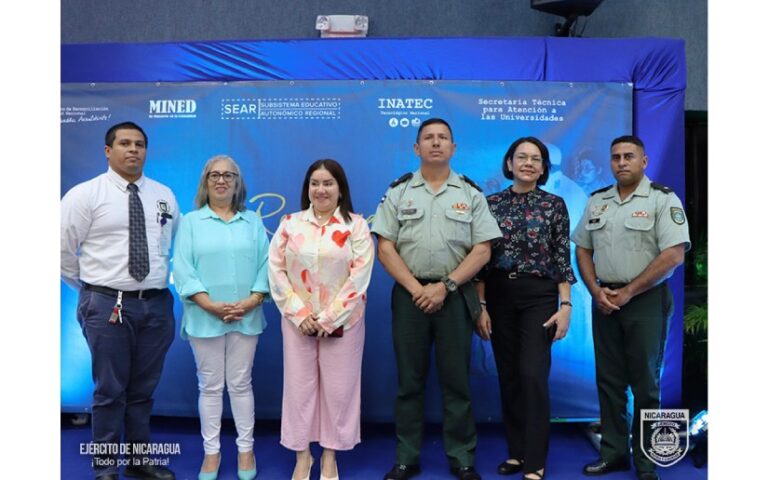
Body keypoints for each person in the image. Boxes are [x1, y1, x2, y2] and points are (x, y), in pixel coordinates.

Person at [371, 118, 502, 480]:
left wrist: (444, 286)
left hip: (456, 296)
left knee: (456, 380)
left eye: (443, 137)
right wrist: (419, 290)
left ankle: (462, 457)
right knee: (409, 382)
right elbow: (385, 247)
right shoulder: (399, 191)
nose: (435, 143)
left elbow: (483, 250)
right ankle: (406, 457)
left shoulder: (470, 193)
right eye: (428, 138)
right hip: (410, 298)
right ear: (416, 148)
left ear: (453, 148)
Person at [61, 121, 179, 480]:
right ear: (107, 150)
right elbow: (63, 251)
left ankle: (138, 460)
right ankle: (106, 466)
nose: (133, 150)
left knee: (143, 390)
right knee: (110, 390)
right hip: (107, 305)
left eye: (140, 144)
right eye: (125, 143)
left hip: (156, 305)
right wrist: (94, 292)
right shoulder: (85, 195)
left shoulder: (164, 195)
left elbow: (169, 245)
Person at [572, 135, 690, 480]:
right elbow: (582, 248)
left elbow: (673, 255)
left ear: (644, 161)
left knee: (645, 383)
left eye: (629, 156)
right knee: (608, 380)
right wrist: (596, 290)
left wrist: (628, 292)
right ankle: (613, 453)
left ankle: (646, 460)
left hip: (645, 301)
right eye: (616, 157)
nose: (621, 162)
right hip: (604, 301)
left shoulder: (661, 200)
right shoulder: (598, 202)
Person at [475, 137, 576, 480]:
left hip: (540, 297)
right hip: (499, 295)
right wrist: (481, 305)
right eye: (522, 157)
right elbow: (481, 260)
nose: (528, 163)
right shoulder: (490, 204)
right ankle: (517, 452)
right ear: (509, 164)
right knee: (510, 377)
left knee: (533, 375)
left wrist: (566, 305)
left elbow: (563, 258)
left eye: (536, 159)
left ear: (544, 167)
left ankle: (535, 460)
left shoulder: (554, 205)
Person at [268, 159, 374, 480]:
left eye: (328, 183)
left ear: (340, 188)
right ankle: (303, 457)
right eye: (315, 183)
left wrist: (328, 319)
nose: (321, 189)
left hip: (344, 323)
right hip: (298, 323)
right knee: (299, 389)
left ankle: (329, 456)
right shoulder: (290, 223)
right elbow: (276, 270)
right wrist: (301, 315)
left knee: (339, 391)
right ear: (307, 189)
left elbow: (359, 277)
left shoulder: (356, 226)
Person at [172, 155, 270, 480]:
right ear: (205, 181)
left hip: (247, 315)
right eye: (215, 175)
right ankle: (211, 453)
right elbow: (183, 268)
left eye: (229, 175)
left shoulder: (252, 222)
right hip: (204, 317)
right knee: (211, 387)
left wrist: (252, 300)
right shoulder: (190, 221)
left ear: (238, 183)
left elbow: (267, 264)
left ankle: (246, 450)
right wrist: (210, 305)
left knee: (241, 384)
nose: (222, 180)